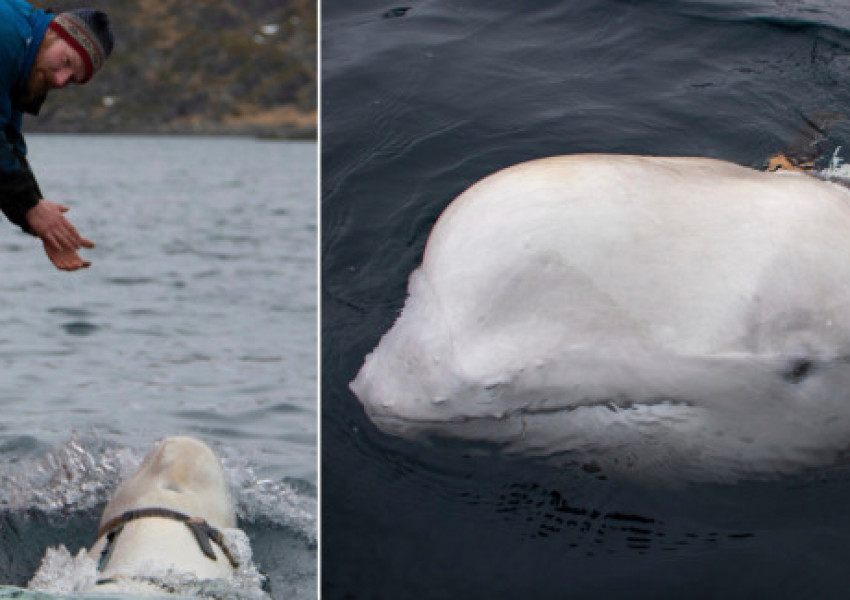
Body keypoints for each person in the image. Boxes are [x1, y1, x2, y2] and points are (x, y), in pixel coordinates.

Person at [0, 1, 114, 271]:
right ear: (54, 32)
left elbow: (8, 143)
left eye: (72, 79)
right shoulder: (6, 35)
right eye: (66, 62)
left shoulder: (22, 64)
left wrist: (39, 217)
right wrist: (30, 207)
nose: (61, 80)